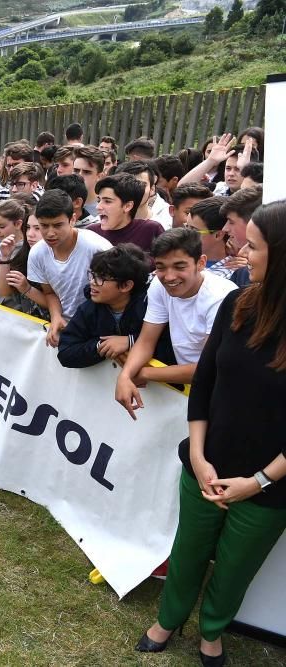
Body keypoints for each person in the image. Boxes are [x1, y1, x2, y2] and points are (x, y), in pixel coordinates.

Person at [134, 200, 286, 667]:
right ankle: (169, 618)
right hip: (205, 464)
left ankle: (212, 631)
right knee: (189, 550)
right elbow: (205, 385)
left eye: (253, 245)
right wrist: (197, 457)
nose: (240, 249)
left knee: (237, 567)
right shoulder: (238, 304)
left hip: (268, 486)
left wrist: (258, 481)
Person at [115, 228, 237, 419]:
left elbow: (207, 367)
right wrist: (125, 375)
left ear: (201, 263)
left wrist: (144, 373)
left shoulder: (221, 297)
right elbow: (146, 340)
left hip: (222, 394)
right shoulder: (158, 285)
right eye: (161, 267)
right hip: (190, 388)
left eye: (180, 267)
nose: (169, 277)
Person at [57, 244, 165, 368]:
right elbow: (66, 353)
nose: (92, 282)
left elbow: (169, 346)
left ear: (126, 286)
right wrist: (102, 346)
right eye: (92, 275)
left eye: (101, 278)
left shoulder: (151, 305)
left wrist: (130, 341)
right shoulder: (89, 309)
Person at [28, 189, 113, 346]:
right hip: (66, 328)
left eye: (58, 225)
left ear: (73, 219)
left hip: (101, 328)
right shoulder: (37, 253)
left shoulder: (97, 248)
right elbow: (49, 292)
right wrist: (56, 317)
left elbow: (117, 295)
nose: (50, 233)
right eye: (44, 226)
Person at [89, 174, 165, 254]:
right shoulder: (90, 233)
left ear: (128, 206)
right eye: (98, 201)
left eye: (107, 201)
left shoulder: (151, 230)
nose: (98, 207)